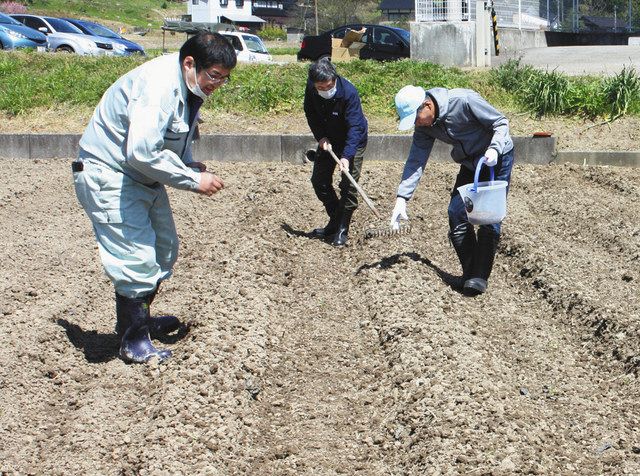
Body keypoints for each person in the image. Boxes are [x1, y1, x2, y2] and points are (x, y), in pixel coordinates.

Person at [72, 32, 237, 363]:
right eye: (214, 76)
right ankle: (134, 342)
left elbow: (173, 136)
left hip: (141, 178)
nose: (217, 84)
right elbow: (142, 151)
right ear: (190, 63)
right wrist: (192, 179)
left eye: (224, 79)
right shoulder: (159, 86)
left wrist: (187, 163)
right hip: (111, 175)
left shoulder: (188, 87)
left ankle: (137, 322)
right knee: (137, 258)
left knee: (164, 248)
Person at [389, 85, 515, 295]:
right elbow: (416, 159)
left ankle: (479, 277)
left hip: (496, 159)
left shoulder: (463, 101)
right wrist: (402, 197)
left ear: (427, 105)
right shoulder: (424, 126)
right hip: (470, 164)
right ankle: (470, 273)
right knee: (456, 212)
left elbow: (501, 122)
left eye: (416, 118)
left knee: (490, 217)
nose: (417, 124)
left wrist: (494, 148)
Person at [303, 58, 368, 246]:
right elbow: (310, 113)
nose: (325, 90)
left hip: (352, 141)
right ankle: (335, 219)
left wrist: (347, 156)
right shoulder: (311, 89)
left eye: (328, 86)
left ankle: (342, 228)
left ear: (334, 78)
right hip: (328, 140)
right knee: (319, 181)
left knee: (348, 185)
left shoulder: (349, 93)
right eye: (320, 87)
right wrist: (321, 137)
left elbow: (355, 127)